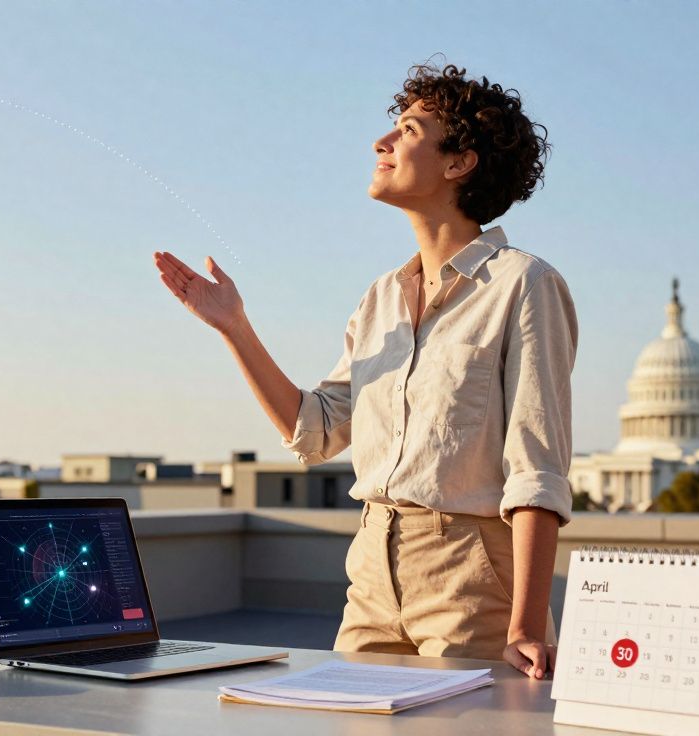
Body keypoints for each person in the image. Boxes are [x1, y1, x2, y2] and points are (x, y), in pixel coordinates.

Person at [153, 62, 575, 680]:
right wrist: (235, 328)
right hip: (372, 570)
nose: (382, 142)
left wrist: (526, 626)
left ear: (459, 163)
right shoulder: (380, 298)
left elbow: (536, 470)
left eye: (408, 130)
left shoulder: (524, 284)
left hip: (472, 575)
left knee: (466, 723)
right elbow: (316, 431)